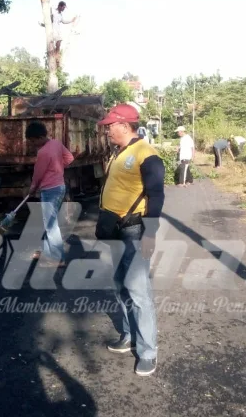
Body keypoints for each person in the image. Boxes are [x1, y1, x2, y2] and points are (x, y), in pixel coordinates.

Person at [96, 103, 165, 377]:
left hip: (134, 232)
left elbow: (156, 195)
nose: (107, 131)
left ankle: (148, 352)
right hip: (115, 229)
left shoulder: (146, 154)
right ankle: (128, 336)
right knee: (119, 286)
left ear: (124, 126)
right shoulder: (120, 152)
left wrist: (150, 233)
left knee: (138, 292)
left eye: (110, 126)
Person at [26, 121, 75, 268]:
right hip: (60, 187)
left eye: (33, 141)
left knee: (51, 225)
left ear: (40, 137)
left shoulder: (43, 152)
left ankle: (58, 258)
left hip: (49, 190)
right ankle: (49, 252)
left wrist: (32, 188)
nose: (32, 144)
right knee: (50, 222)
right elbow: (70, 158)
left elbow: (38, 174)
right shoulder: (56, 143)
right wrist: (58, 167)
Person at [52, 1, 76, 66]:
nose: (64, 9)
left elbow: (63, 21)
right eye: (63, 8)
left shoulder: (60, 14)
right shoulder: (53, 11)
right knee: (57, 43)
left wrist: (71, 21)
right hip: (52, 30)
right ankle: (56, 57)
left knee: (59, 43)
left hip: (57, 31)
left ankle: (57, 57)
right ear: (60, 6)